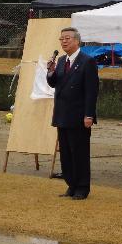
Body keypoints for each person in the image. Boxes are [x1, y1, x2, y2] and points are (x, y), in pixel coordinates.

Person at [46, 27, 99, 200]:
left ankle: (82, 187)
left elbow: (91, 91)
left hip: (79, 116)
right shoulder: (61, 61)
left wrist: (89, 115)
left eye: (67, 38)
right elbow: (54, 83)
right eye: (61, 39)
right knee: (66, 153)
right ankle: (71, 184)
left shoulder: (87, 61)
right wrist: (50, 71)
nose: (64, 41)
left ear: (77, 41)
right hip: (62, 114)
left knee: (79, 153)